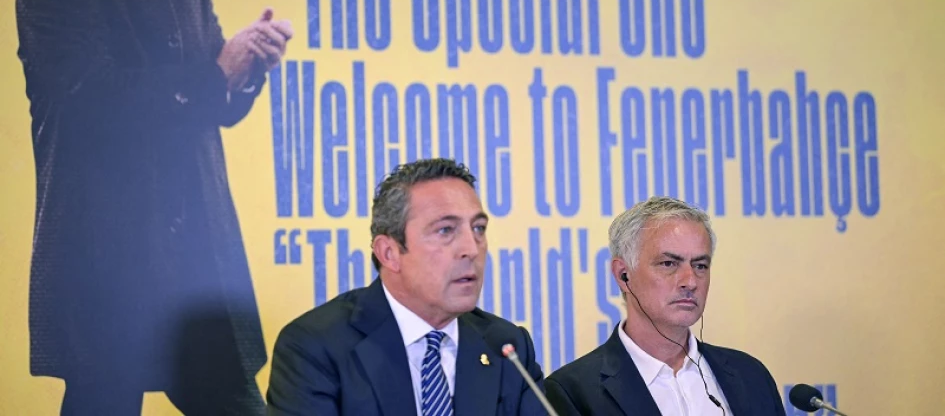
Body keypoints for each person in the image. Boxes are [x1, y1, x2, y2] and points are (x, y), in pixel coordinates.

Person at [14, 0, 292, 413]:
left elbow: (215, 104)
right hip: (108, 259)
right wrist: (212, 74)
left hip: (194, 266)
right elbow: (88, 102)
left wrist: (246, 68)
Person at [266, 158, 547, 416]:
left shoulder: (508, 347)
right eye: (446, 230)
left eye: (478, 229)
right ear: (389, 253)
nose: (471, 249)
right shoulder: (316, 347)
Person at [546, 197, 786, 415]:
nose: (690, 281)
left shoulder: (750, 376)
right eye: (669, 263)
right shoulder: (573, 393)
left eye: (700, 265)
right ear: (623, 275)